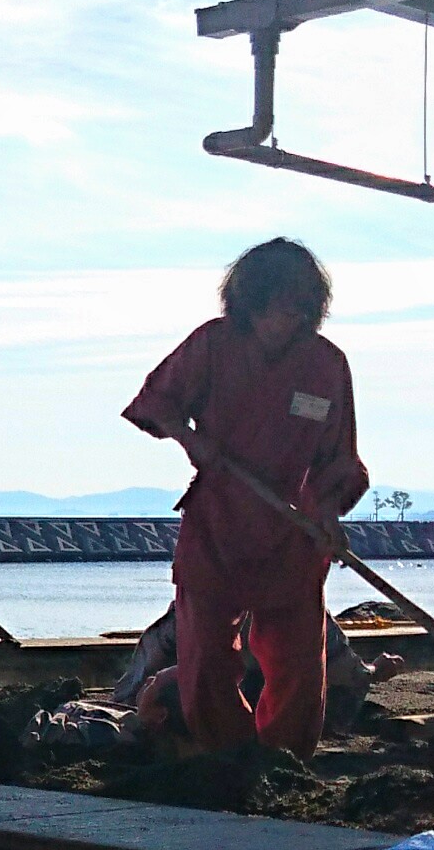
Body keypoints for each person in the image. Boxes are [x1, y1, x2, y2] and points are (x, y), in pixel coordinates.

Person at [122, 240, 369, 756]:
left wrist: (327, 513)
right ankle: (229, 754)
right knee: (207, 652)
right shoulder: (212, 345)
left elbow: (338, 459)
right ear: (251, 299)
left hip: (292, 527)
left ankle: (284, 758)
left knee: (299, 660)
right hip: (218, 519)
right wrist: (195, 443)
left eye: (303, 304)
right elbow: (156, 403)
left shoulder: (327, 365)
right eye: (281, 301)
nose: (291, 315)